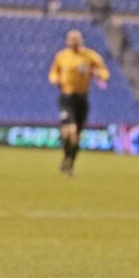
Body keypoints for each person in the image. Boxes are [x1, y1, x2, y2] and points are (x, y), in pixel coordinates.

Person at [48, 29, 109, 176]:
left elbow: (105, 73)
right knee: (69, 130)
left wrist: (96, 73)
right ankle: (66, 157)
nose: (74, 42)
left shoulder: (90, 56)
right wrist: (56, 80)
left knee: (76, 135)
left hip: (82, 99)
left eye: (76, 39)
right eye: (71, 39)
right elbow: (53, 73)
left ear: (81, 40)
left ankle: (70, 162)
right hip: (67, 97)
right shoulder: (62, 56)